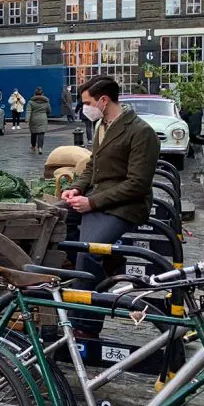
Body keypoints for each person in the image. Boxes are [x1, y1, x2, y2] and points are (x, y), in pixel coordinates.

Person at [62, 75, 159, 338]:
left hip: (125, 206)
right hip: (98, 198)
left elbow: (137, 184)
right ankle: (108, 266)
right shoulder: (101, 125)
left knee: (87, 252)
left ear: (103, 100)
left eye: (87, 103)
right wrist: (76, 188)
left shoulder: (141, 132)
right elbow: (93, 165)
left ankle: (86, 325)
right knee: (55, 219)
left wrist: (91, 202)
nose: (84, 108)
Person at [26, 87, 51, 154]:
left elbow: (28, 111)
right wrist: (45, 114)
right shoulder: (46, 101)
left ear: (34, 94)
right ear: (42, 94)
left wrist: (27, 119)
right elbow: (49, 110)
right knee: (41, 133)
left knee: (33, 133)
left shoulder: (30, 102)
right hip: (43, 119)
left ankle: (33, 146)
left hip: (33, 119)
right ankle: (40, 148)